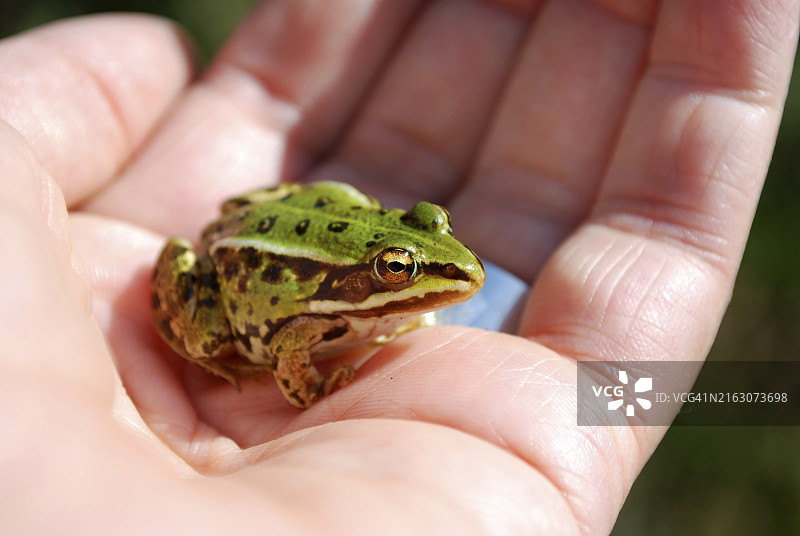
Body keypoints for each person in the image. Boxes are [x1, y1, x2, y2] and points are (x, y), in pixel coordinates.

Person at [2, 1, 796, 533]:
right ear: (369, 275)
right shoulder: (319, 311)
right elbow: (287, 350)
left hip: (283, 218)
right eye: (396, 269)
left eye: (421, 247)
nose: (434, 272)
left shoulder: (393, 272)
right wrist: (315, 387)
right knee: (215, 334)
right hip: (236, 268)